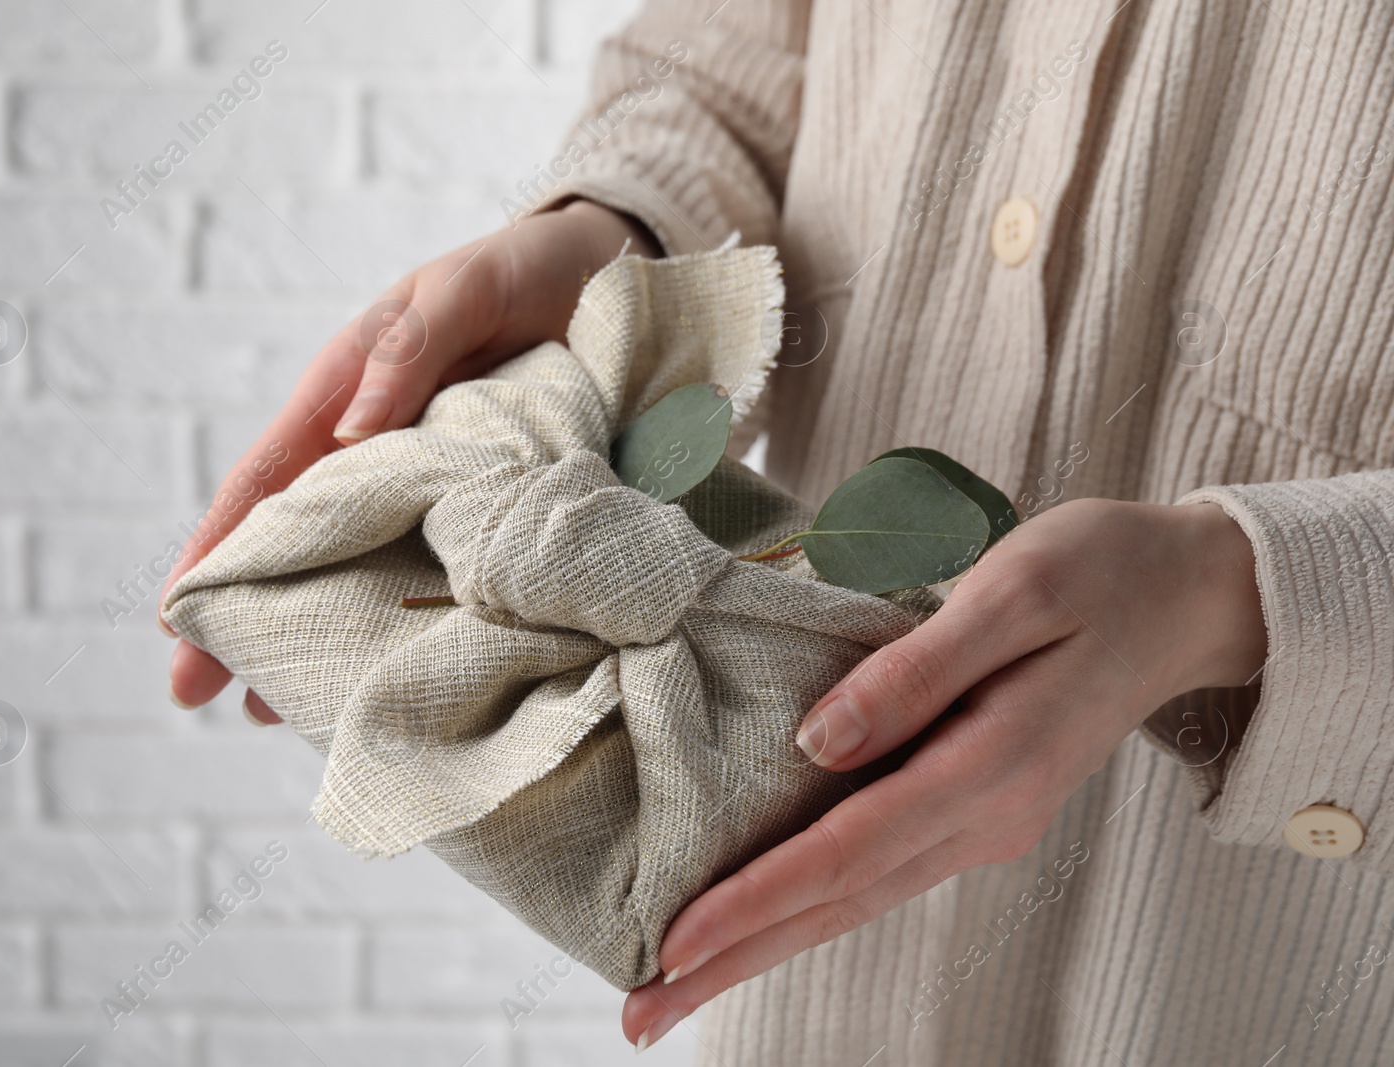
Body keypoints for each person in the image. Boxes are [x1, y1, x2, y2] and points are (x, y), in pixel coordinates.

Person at [163, 1, 1394, 1062]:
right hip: (812, 978)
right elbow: (727, 72)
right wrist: (617, 243)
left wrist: (1239, 588)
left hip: (1281, 966)